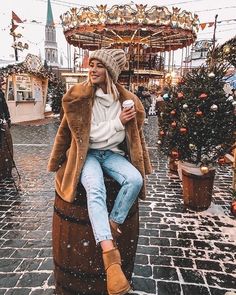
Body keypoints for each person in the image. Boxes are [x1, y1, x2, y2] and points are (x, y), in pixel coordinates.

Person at [48, 48, 152, 295]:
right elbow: (88, 136)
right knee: (95, 187)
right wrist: (117, 123)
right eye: (91, 64)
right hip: (89, 155)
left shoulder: (125, 100)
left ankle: (112, 223)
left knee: (134, 180)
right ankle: (110, 258)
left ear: (110, 72)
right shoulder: (81, 97)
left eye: (98, 66)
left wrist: (124, 125)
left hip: (112, 155)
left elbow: (131, 136)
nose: (92, 69)